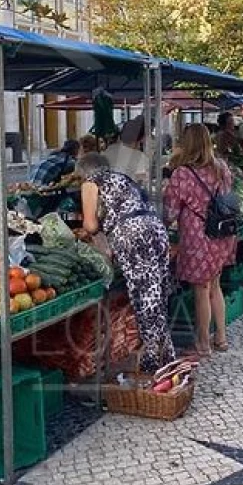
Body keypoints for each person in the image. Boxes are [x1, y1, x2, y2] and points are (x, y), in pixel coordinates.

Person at [77, 153, 175, 372]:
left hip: (132, 235)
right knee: (156, 295)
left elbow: (91, 225)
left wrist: (91, 233)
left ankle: (152, 360)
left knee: (144, 298)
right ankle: (167, 355)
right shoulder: (121, 178)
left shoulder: (91, 183)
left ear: (84, 171)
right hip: (156, 230)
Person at [164, 123, 237, 357]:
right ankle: (222, 338)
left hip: (198, 237)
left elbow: (170, 211)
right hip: (222, 234)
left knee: (201, 290)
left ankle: (203, 343)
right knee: (215, 285)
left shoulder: (182, 173)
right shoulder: (221, 167)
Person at [102, 117, 150, 185]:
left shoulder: (109, 150)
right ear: (142, 138)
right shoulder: (140, 157)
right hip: (129, 193)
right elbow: (142, 183)